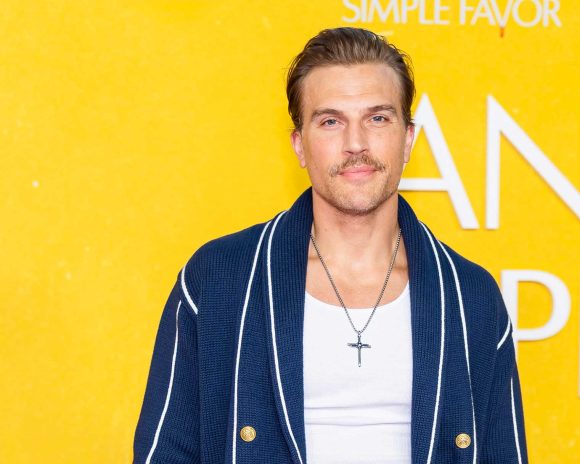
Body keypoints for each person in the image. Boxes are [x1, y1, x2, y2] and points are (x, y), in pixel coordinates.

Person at [133, 27, 528, 464]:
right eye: (330, 122)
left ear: (408, 139)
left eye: (378, 118)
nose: (355, 143)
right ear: (299, 146)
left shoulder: (471, 296)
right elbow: (164, 453)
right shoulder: (219, 279)